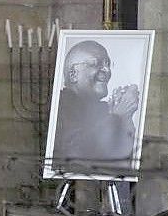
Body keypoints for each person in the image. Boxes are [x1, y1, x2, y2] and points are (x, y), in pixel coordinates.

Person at [51, 40, 140, 175]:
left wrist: (125, 116)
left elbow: (124, 157)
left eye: (108, 64)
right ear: (73, 74)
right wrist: (117, 116)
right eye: (95, 64)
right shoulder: (62, 105)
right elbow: (76, 154)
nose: (107, 70)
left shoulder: (103, 108)